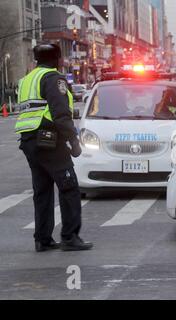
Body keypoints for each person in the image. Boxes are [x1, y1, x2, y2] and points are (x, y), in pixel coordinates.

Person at [15, 44, 93, 252]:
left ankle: (43, 239)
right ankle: (70, 237)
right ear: (57, 59)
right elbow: (60, 114)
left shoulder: (26, 80)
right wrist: (73, 141)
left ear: (36, 59)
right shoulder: (53, 78)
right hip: (49, 140)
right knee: (69, 187)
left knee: (43, 190)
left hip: (29, 140)